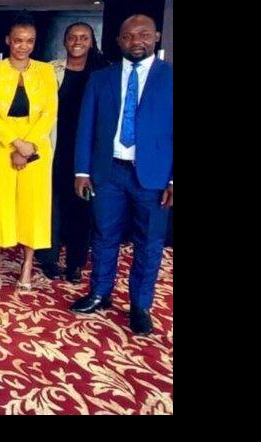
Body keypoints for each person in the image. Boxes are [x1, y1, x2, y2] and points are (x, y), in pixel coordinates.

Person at [70, 14, 173, 336]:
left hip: (154, 177)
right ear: (119, 41)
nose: (136, 41)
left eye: (143, 34)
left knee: (149, 242)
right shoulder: (101, 78)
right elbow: (86, 126)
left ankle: (140, 305)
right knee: (104, 236)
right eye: (128, 36)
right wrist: (82, 171)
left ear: (156, 36)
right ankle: (100, 293)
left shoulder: (170, 77)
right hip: (108, 171)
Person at [0, 17, 57, 292]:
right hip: (1, 142)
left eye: (29, 41)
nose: (23, 46)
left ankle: (27, 266)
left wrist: (28, 147)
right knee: (0, 204)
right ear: (8, 40)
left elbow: (50, 112)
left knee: (33, 206)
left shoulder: (45, 71)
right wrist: (14, 142)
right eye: (18, 40)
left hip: (36, 145)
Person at [38, 22, 108, 281]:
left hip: (88, 149)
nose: (78, 41)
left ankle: (75, 262)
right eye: (72, 37)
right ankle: (49, 258)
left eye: (84, 37)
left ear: (91, 41)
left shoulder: (103, 72)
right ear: (65, 41)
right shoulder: (50, 70)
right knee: (51, 202)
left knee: (82, 206)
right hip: (55, 145)